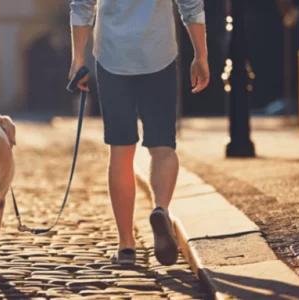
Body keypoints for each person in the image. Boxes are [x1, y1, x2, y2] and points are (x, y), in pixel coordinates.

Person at [69, 0, 210, 265]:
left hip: (112, 60)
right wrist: (200, 56)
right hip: (159, 57)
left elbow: (81, 7)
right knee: (162, 147)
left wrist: (78, 59)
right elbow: (191, 6)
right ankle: (160, 209)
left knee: (121, 151)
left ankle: (126, 246)